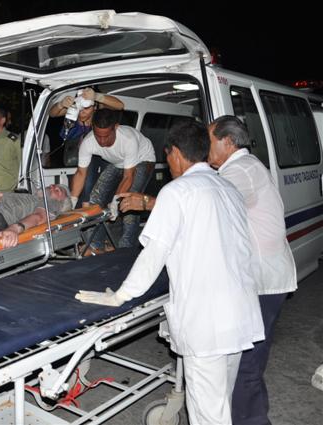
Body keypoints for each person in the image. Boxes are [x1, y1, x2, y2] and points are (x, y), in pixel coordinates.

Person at [75, 120, 264, 425]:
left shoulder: (176, 191)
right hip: (241, 313)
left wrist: (122, 295)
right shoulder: (226, 187)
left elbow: (155, 253)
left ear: (174, 153)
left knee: (208, 414)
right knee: (221, 404)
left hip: (208, 323)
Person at [208, 115, 297, 425]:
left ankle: (250, 419)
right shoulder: (244, 167)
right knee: (252, 359)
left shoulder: (240, 171)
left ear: (228, 142)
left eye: (210, 140)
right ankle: (254, 413)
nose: (206, 147)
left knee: (246, 361)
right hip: (264, 277)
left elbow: (208, 203)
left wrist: (153, 201)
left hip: (262, 280)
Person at [70, 108, 155, 249]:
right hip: (118, 163)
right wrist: (72, 201)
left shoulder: (128, 140)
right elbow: (80, 173)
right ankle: (95, 246)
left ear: (116, 127)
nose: (102, 141)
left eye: (106, 136)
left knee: (129, 203)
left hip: (143, 160)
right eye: (98, 136)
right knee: (95, 199)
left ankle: (126, 248)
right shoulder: (88, 142)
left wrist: (115, 202)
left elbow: (128, 176)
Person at [49, 87, 124, 205]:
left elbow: (120, 106)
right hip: (76, 155)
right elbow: (52, 113)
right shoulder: (74, 109)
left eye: (87, 108)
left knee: (90, 184)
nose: (82, 111)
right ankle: (77, 205)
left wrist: (97, 97)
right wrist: (60, 104)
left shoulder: (98, 113)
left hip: (98, 155)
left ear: (94, 107)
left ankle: (88, 206)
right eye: (80, 107)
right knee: (78, 183)